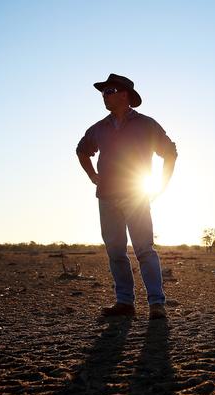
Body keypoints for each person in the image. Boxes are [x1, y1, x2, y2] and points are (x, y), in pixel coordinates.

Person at [76, 74, 177, 320]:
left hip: (136, 195)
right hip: (107, 197)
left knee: (144, 250)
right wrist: (93, 176)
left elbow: (170, 152)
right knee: (116, 252)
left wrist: (161, 185)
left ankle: (157, 304)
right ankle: (125, 303)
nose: (105, 95)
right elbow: (81, 150)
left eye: (109, 90)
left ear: (125, 94)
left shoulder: (147, 125)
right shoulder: (99, 128)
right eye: (103, 92)